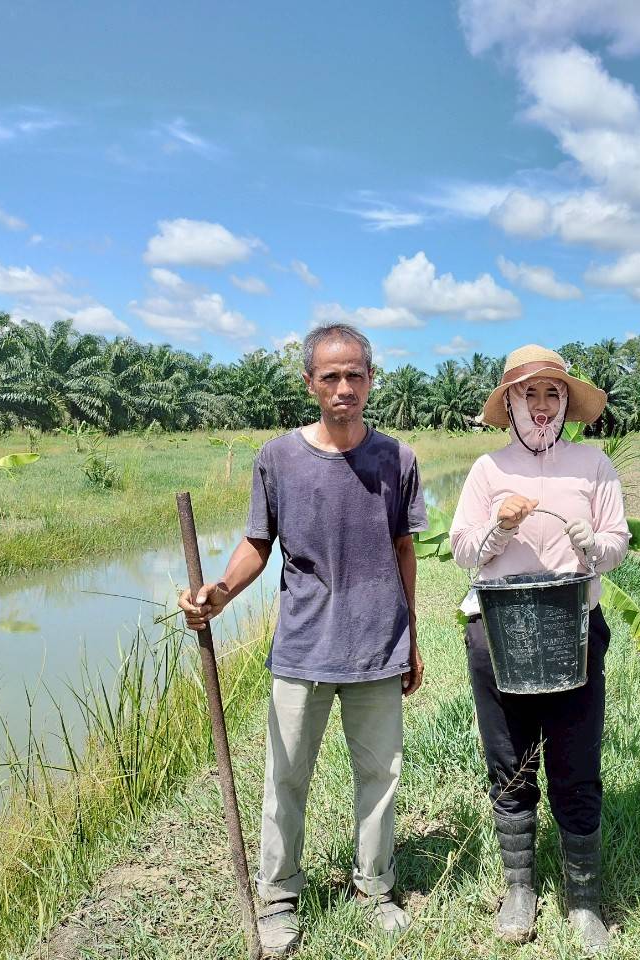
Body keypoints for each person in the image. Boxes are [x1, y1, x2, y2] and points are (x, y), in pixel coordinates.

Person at [179, 323, 427, 956]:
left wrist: (412, 636)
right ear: (311, 383)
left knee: (380, 776)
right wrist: (220, 592)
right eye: (330, 377)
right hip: (303, 648)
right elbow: (257, 544)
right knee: (286, 778)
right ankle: (281, 897)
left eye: (355, 376)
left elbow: (405, 548)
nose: (344, 388)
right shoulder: (278, 458)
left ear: (371, 380)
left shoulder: (397, 459)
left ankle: (374, 888)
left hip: (377, 644)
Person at [449, 344, 630, 954]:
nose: (545, 405)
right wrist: (498, 526)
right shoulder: (487, 471)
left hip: (573, 626)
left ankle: (583, 902)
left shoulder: (593, 465)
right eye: (531, 394)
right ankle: (520, 890)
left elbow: (617, 542)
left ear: (566, 404)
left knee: (577, 759)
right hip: (499, 628)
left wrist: (593, 546)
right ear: (511, 404)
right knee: (509, 756)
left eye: (554, 394)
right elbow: (462, 551)